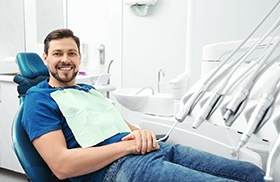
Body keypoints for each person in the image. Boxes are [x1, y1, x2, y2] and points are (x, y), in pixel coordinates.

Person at [22, 28, 265, 182]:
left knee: (251, 173)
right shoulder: (39, 99)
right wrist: (127, 148)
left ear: (79, 58)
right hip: (116, 169)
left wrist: (143, 134)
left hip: (151, 150)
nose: (65, 59)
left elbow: (121, 126)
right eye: (57, 54)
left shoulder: (88, 91)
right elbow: (62, 166)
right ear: (45, 58)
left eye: (71, 53)